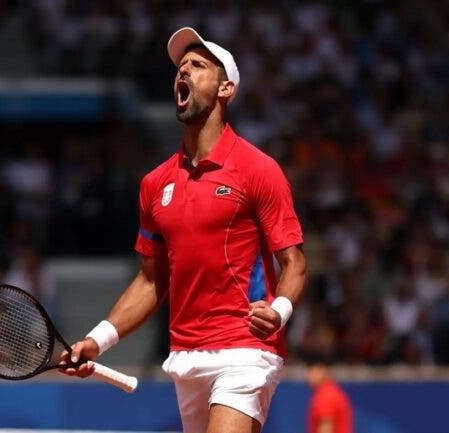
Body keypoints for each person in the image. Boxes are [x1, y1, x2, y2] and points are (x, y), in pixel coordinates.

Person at [60, 27, 307, 433]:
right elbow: (150, 279)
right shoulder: (155, 184)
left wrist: (279, 312)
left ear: (226, 88)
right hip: (186, 354)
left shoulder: (258, 170)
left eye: (198, 65)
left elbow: (294, 262)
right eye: (181, 67)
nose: (184, 72)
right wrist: (96, 340)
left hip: (246, 349)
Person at [306, 362, 353, 433]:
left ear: (323, 371)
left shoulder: (325, 396)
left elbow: (326, 427)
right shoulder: (334, 391)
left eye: (312, 372)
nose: (308, 377)